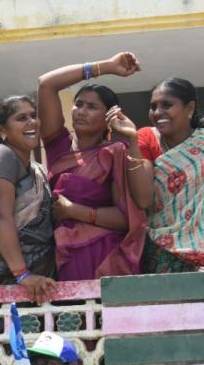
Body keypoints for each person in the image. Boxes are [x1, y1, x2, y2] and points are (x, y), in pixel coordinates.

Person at [36, 54, 150, 280]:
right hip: (62, 252)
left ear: (108, 116)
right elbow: (46, 84)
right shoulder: (58, 145)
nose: (82, 111)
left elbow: (127, 218)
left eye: (92, 107)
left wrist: (72, 210)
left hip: (105, 255)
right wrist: (105, 66)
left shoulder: (116, 152)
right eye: (78, 104)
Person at [0, 97, 58, 300]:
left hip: (34, 281)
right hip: (1, 279)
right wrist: (22, 274)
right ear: (1, 130)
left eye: (34, 116)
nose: (32, 122)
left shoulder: (36, 169)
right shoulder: (0, 156)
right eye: (21, 118)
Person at [137, 78, 204, 272]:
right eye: (153, 106)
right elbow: (143, 199)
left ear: (189, 107)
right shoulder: (146, 138)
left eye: (167, 105)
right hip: (161, 250)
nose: (158, 113)